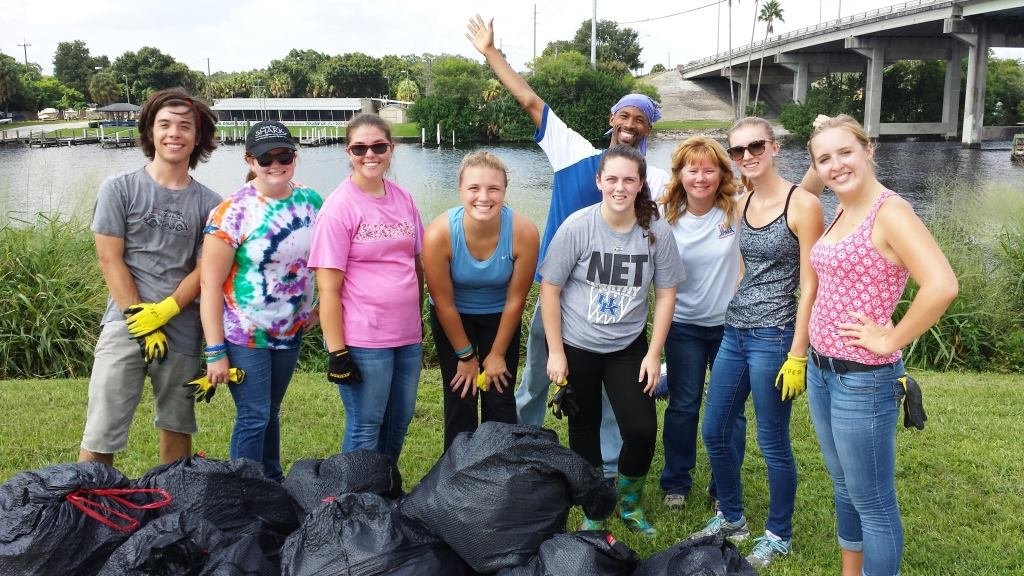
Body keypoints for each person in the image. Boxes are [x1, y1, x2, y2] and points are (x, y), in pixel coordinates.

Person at [467, 15, 670, 479]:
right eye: (624, 116)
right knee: (538, 376)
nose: (630, 124)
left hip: (616, 307)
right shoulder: (572, 151)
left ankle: (608, 466)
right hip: (559, 300)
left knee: (610, 393)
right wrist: (491, 53)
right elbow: (528, 99)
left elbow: (705, 200)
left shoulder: (656, 181)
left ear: (648, 131)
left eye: (640, 120)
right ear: (611, 121)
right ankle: (520, 450)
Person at [805, 115, 956, 576]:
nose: (835, 166)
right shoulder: (842, 207)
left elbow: (942, 285)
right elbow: (807, 190)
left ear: (869, 150)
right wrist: (827, 132)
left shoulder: (890, 212)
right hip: (821, 369)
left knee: (873, 501)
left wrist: (889, 337)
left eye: (846, 152)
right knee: (844, 487)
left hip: (863, 379)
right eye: (824, 159)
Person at [696, 116, 824, 568]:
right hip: (735, 330)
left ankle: (778, 533)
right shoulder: (743, 201)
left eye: (754, 147)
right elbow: (744, 268)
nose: (746, 156)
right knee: (714, 429)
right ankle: (731, 516)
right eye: (737, 151)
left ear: (774, 147)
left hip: (775, 336)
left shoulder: (803, 204)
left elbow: (810, 285)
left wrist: (798, 351)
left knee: (772, 439)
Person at [541, 145, 684, 537]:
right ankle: (595, 508)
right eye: (613, 179)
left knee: (640, 430)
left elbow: (667, 292)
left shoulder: (655, 231)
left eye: (629, 180)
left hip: (628, 347)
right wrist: (556, 351)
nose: (620, 187)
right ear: (599, 181)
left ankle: (631, 504)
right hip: (579, 344)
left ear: (641, 184)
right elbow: (550, 289)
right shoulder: (578, 226)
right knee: (583, 426)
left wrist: (655, 354)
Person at [78, 88, 220, 467]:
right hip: (125, 323)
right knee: (101, 427)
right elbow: (110, 260)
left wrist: (168, 310)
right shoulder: (119, 188)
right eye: (165, 125)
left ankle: (172, 508)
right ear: (150, 132)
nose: (175, 133)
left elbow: (204, 269)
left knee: (176, 425)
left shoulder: (211, 203)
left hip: (182, 327)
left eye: (185, 126)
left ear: (198, 137)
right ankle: (85, 509)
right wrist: (142, 320)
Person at [199, 120, 322, 482]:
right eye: (265, 158)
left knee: (271, 410)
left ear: (294, 157)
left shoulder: (312, 201)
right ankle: (243, 491)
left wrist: (316, 309)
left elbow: (326, 259)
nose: (275, 164)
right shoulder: (232, 212)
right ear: (250, 160)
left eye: (283, 155)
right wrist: (214, 351)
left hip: (290, 330)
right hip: (244, 333)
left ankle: (272, 481)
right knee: (253, 414)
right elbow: (209, 285)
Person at [308, 113, 425, 463]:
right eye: (360, 148)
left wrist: (416, 316)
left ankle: (384, 492)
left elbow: (417, 263)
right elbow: (327, 290)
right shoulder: (338, 209)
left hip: (407, 336)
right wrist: (337, 350)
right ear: (348, 152)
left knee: (398, 421)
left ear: (391, 149)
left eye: (378, 146)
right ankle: (354, 503)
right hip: (363, 339)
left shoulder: (403, 199)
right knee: (366, 424)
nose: (369, 154)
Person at [423, 152, 539, 450]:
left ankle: (500, 472)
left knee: (499, 394)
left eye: (493, 189)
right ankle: (457, 473)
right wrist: (466, 357)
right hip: (453, 317)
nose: (483, 197)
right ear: (461, 190)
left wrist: (497, 354)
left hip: (500, 316)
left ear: (504, 191)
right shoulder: (439, 233)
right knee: (461, 393)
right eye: (474, 188)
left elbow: (516, 299)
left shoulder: (523, 232)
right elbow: (443, 301)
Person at [656, 136, 747, 508]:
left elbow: (794, 199)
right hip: (682, 327)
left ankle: (722, 487)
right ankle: (676, 481)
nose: (701, 177)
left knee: (730, 409)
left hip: (730, 327)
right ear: (679, 174)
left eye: (710, 169)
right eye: (692, 169)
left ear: (722, 174)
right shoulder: (664, 217)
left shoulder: (736, 209)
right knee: (683, 405)